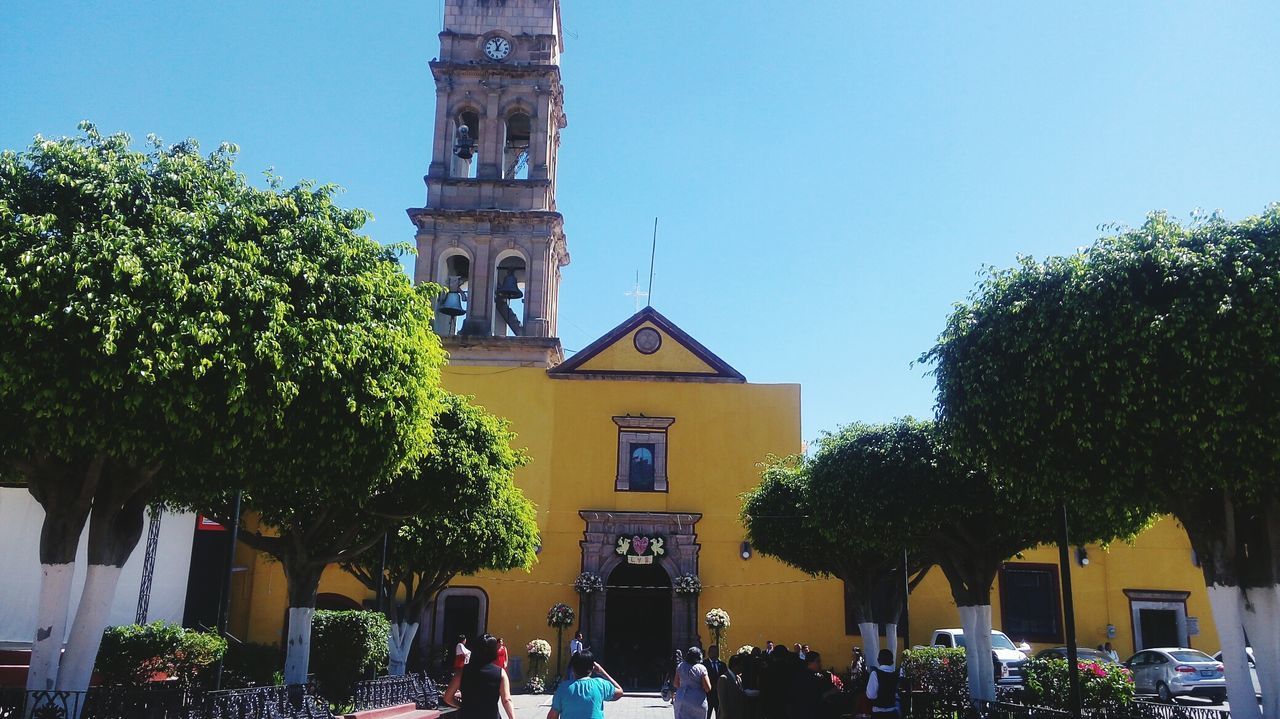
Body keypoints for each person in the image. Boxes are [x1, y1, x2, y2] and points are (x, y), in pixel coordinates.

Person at [445, 634, 516, 719]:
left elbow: (447, 697)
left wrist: (462, 706)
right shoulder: (500, 673)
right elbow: (506, 700)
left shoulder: (463, 672)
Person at [547, 650, 623, 719]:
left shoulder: (563, 688)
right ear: (593, 667)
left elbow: (552, 716)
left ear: (573, 669)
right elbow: (620, 692)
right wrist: (603, 672)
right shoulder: (600, 684)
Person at [786, 651, 839, 719]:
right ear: (809, 662)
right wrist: (830, 692)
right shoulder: (808, 677)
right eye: (818, 661)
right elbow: (814, 697)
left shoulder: (804, 674)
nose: (820, 664)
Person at [673, 646, 713, 719]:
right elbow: (708, 688)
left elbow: (676, 684)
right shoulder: (701, 668)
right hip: (697, 700)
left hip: (682, 699)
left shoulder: (680, 666)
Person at [865, 649, 899, 719]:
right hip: (892, 712)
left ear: (878, 660)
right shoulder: (896, 675)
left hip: (878, 713)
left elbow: (871, 695)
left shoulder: (875, 674)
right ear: (892, 662)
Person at [704, 645, 728, 719]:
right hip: (708, 695)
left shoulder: (722, 665)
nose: (715, 654)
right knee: (706, 715)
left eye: (716, 652)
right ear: (709, 653)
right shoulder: (704, 664)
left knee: (719, 715)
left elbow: (725, 678)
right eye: (713, 652)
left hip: (719, 695)